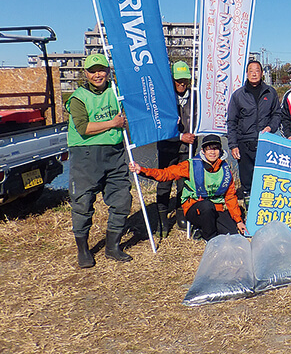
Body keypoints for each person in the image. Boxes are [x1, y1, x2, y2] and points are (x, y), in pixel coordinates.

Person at [65, 53, 131, 268]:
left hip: (114, 152)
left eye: (101, 69)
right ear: (85, 73)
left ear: (108, 71)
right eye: (92, 71)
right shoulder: (78, 98)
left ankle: (112, 247)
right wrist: (113, 123)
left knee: (122, 200)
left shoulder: (116, 91)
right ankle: (83, 250)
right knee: (83, 204)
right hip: (86, 155)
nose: (97, 74)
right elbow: (83, 127)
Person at [130, 134, 246, 241]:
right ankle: (209, 238)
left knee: (232, 233)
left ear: (220, 151)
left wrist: (239, 221)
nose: (212, 152)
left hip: (216, 209)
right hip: (195, 208)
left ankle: (204, 229)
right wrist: (142, 170)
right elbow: (165, 174)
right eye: (208, 148)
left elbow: (230, 197)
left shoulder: (225, 171)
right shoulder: (190, 165)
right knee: (207, 207)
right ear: (203, 151)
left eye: (215, 148)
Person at [227, 60, 280, 199]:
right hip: (245, 143)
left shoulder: (271, 92)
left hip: (265, 142)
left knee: (266, 180)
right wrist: (233, 145)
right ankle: (249, 213)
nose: (254, 73)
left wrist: (271, 127)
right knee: (247, 182)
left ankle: (264, 212)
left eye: (257, 70)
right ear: (247, 74)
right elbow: (232, 121)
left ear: (262, 73)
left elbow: (277, 114)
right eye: (251, 70)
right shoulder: (238, 95)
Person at [154, 61, 196, 236]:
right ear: (172, 80)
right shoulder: (163, 98)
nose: (182, 84)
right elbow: (158, 126)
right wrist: (179, 136)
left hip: (187, 149)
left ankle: (181, 215)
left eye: (184, 80)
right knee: (164, 183)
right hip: (167, 147)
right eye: (178, 80)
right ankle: (162, 219)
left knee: (183, 184)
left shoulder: (195, 97)